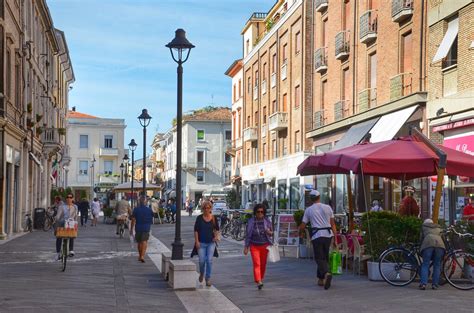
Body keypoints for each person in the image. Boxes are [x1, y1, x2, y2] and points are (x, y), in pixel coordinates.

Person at [298, 190, 337, 290]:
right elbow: (332, 224)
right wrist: (336, 237)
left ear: (311, 199)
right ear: (319, 197)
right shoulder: (328, 207)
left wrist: (300, 232)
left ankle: (326, 273)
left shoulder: (309, 210)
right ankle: (320, 279)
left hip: (317, 235)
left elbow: (303, 224)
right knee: (325, 256)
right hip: (328, 235)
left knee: (319, 258)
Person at [244, 203, 273, 290]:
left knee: (263, 264)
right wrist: (246, 247)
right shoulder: (251, 221)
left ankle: (260, 278)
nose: (260, 213)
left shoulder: (267, 221)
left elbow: (272, 233)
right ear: (255, 212)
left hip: (265, 245)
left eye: (262, 212)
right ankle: (259, 280)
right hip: (254, 246)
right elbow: (248, 234)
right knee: (257, 263)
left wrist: (269, 232)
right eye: (258, 212)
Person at [194, 200, 219, 287]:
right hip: (201, 243)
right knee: (201, 261)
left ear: (210, 208)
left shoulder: (213, 218)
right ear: (202, 208)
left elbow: (217, 229)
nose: (206, 209)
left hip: (211, 243)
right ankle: (201, 273)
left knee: (209, 261)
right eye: (204, 208)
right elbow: (196, 230)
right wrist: (196, 241)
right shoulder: (199, 218)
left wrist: (216, 236)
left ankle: (207, 278)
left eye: (208, 208)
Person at [419, 218, 446, 290]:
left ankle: (423, 284)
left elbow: (421, 238)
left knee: (425, 264)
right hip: (440, 245)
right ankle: (435, 285)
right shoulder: (438, 227)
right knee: (437, 265)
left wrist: (420, 247)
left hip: (428, 245)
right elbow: (443, 238)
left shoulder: (424, 227)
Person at [130, 196, 154, 263]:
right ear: (146, 202)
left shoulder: (136, 209)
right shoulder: (149, 209)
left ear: (139, 202)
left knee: (139, 242)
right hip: (146, 227)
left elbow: (133, 220)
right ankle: (142, 256)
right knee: (144, 241)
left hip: (138, 227)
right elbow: (153, 216)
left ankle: (140, 255)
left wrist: (131, 229)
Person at [55, 193, 78, 259]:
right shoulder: (62, 206)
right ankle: (58, 253)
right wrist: (56, 219)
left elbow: (76, 217)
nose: (69, 199)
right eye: (67, 197)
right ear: (66, 198)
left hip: (70, 224)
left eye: (70, 197)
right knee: (59, 236)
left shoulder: (75, 207)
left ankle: (71, 250)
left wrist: (76, 223)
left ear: (73, 199)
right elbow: (58, 216)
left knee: (71, 234)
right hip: (62, 223)